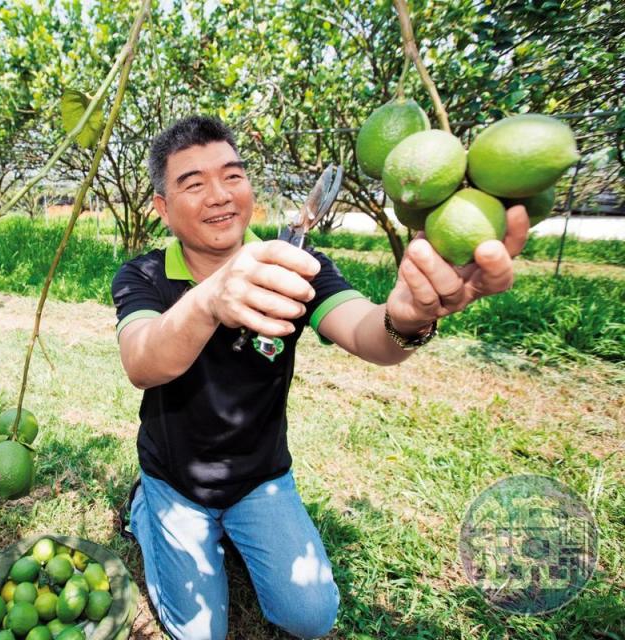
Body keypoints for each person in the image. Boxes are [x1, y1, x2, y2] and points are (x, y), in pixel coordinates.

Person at [111, 115, 528, 639]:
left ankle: (235, 529)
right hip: (175, 477)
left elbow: (364, 331)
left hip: (259, 478)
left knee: (310, 617)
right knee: (198, 634)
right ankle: (145, 510)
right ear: (163, 208)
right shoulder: (142, 274)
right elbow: (142, 361)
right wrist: (212, 300)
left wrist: (406, 316)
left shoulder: (299, 262)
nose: (219, 195)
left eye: (232, 175)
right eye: (193, 183)